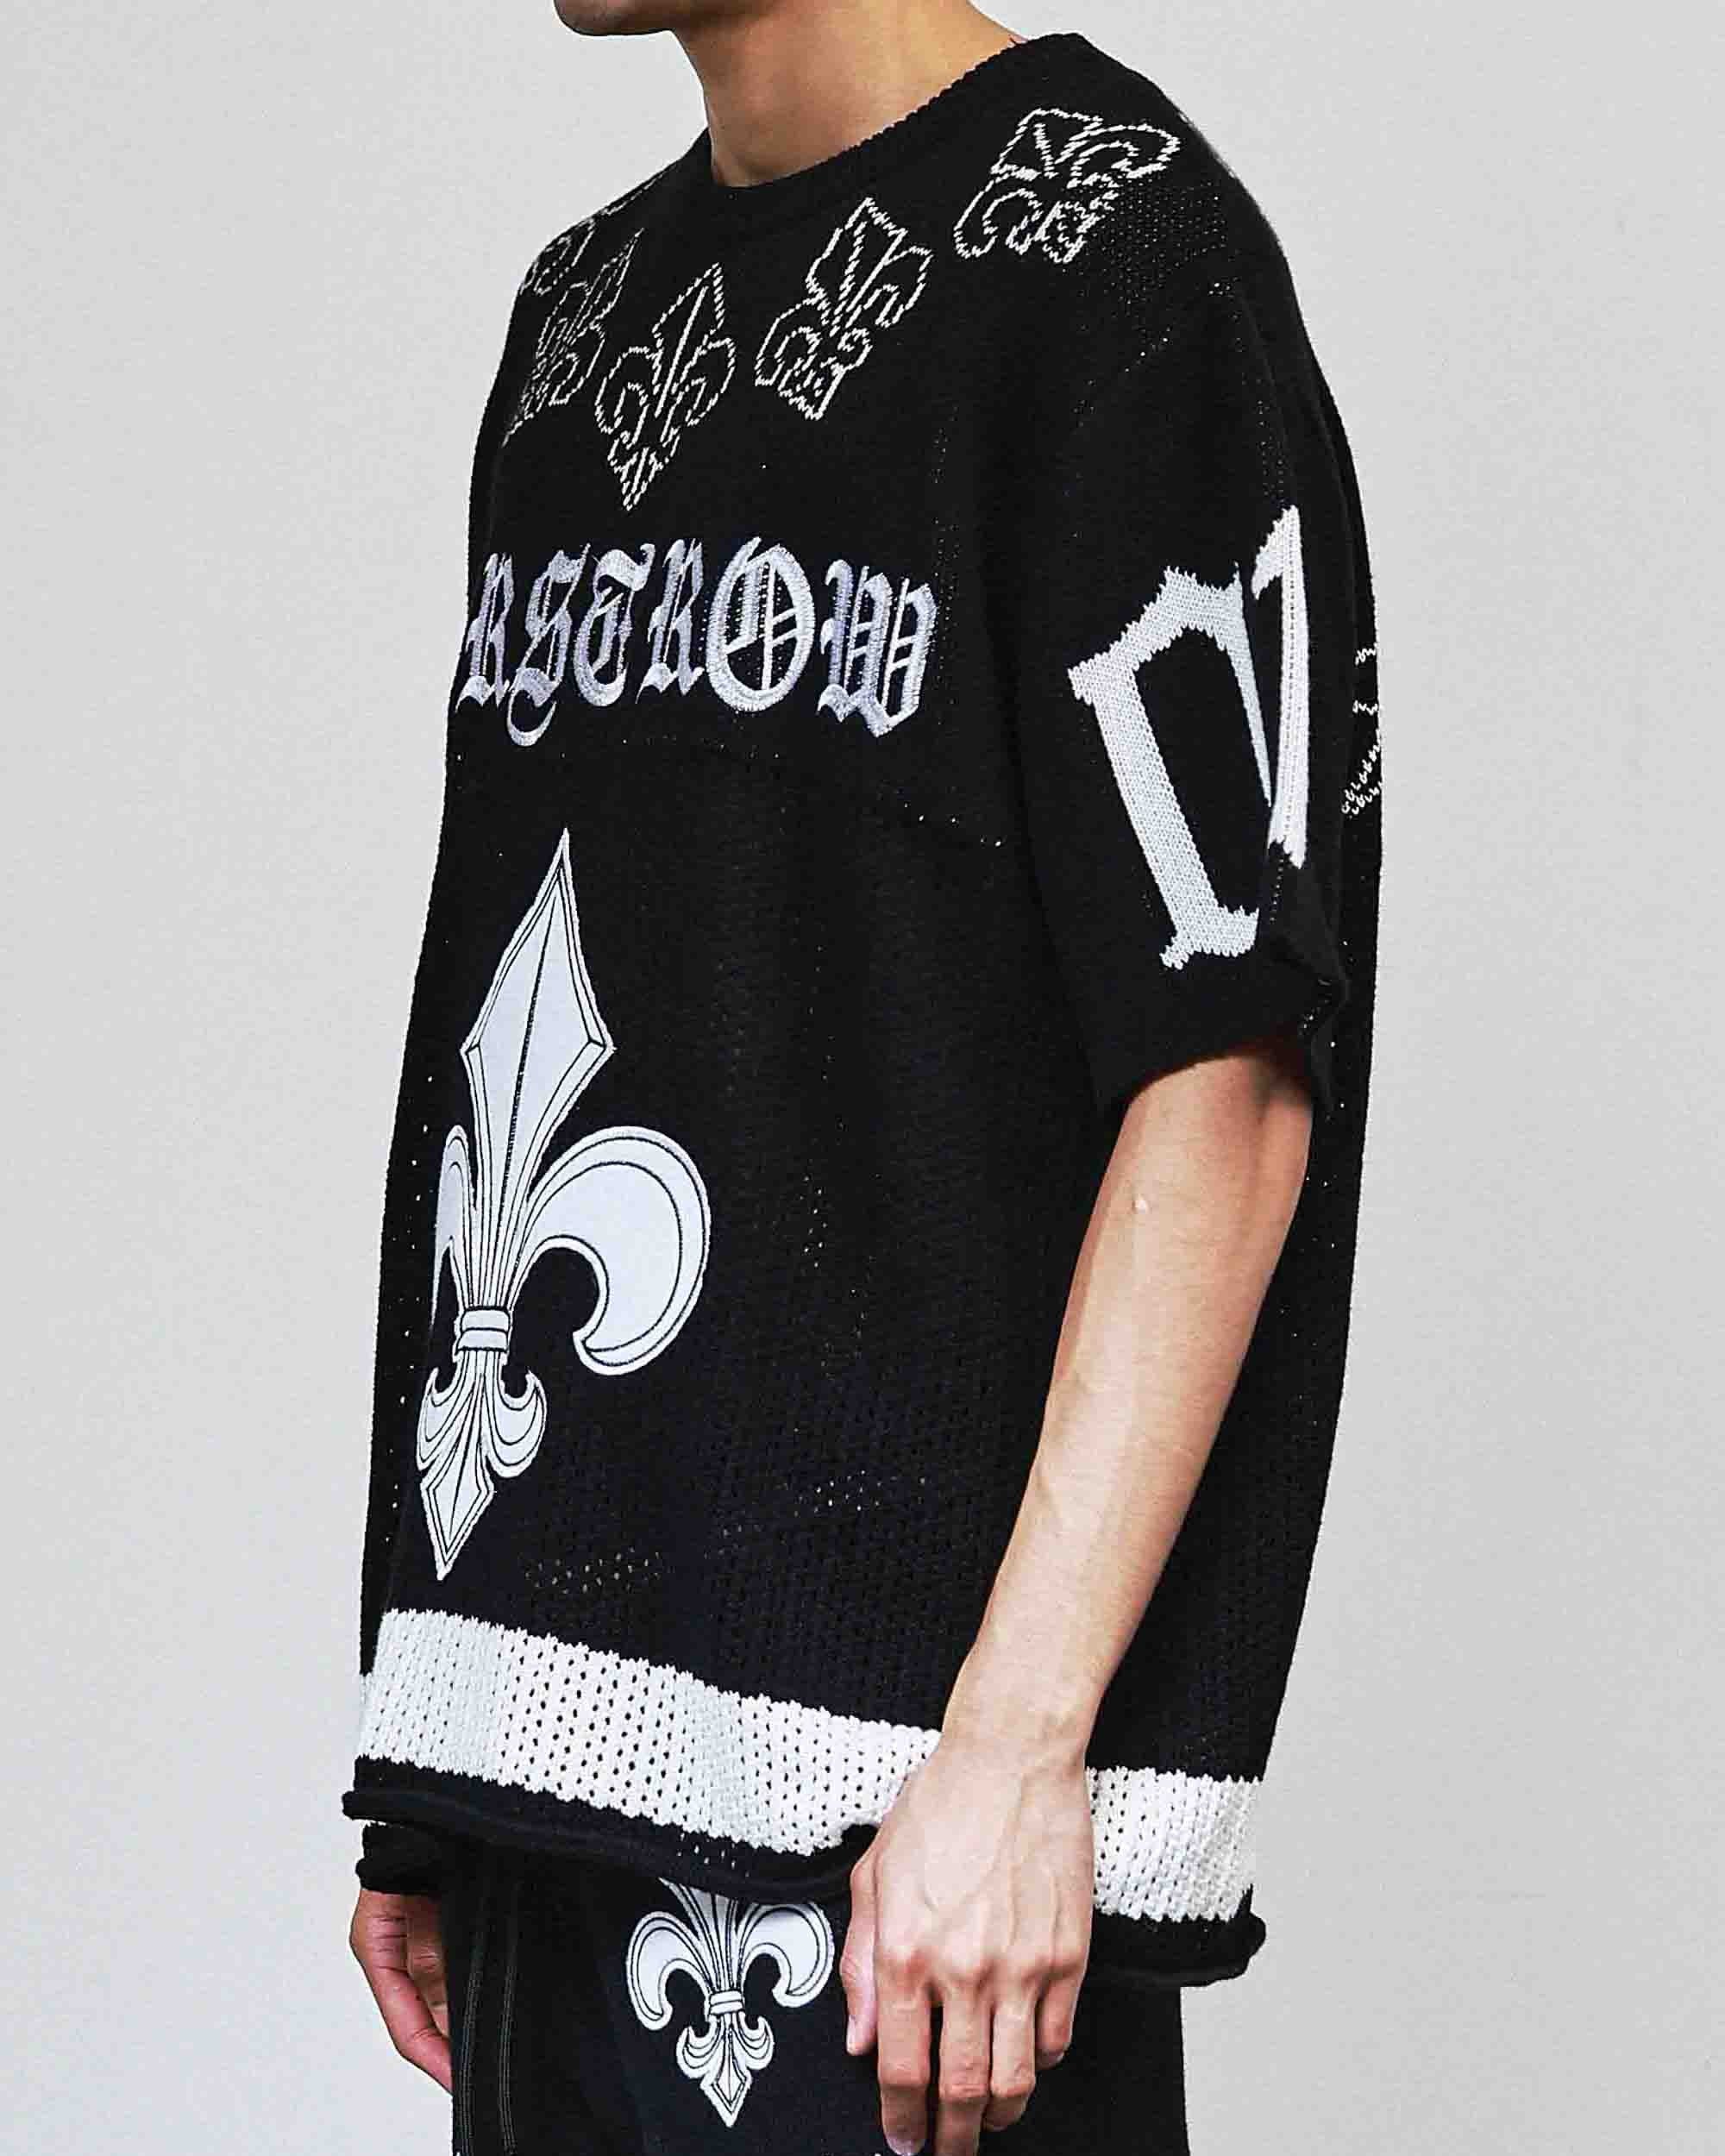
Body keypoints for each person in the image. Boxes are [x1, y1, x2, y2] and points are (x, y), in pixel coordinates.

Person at [342, 4, 1383, 2152]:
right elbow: (523, 1031)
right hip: (549, 1804)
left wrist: (1017, 1745)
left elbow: (1226, 1059)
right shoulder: (579, 330)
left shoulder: (1118, 268)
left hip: (911, 1853)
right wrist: (435, 1754)